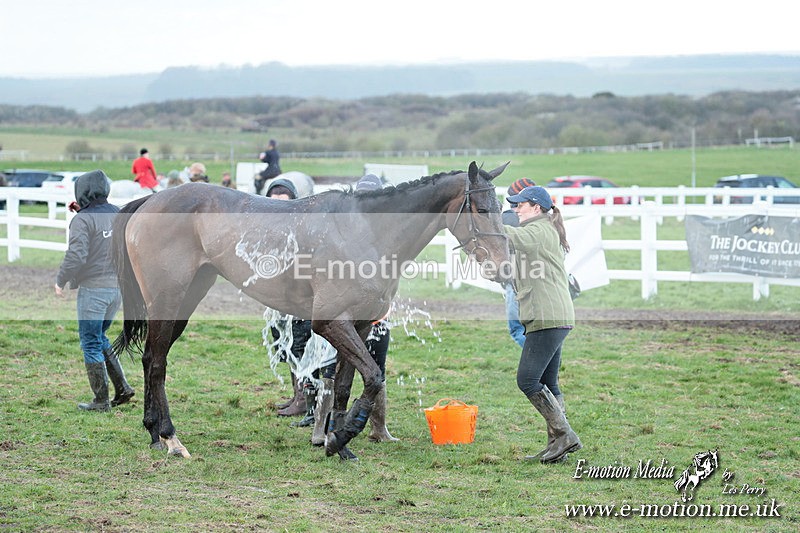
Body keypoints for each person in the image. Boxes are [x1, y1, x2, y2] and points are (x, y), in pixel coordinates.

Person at [504, 185, 581, 464]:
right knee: (549, 382)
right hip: (555, 317)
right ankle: (557, 445)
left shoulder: (537, 230)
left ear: (536, 208)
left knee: (527, 380)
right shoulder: (543, 229)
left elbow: (509, 235)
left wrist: (486, 222)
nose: (515, 209)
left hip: (547, 318)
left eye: (519, 205)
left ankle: (564, 435)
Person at [55, 170, 134, 412]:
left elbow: (77, 255)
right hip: (117, 289)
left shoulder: (82, 220)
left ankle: (100, 401)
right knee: (100, 336)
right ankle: (122, 388)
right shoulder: (119, 213)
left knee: (90, 341)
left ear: (82, 191)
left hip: (94, 290)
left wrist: (61, 279)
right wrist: (83, 211)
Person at [264, 177, 310, 417]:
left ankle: (304, 399)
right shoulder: (266, 229)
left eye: (284, 202)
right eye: (274, 203)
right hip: (280, 298)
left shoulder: (301, 226)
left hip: (301, 298)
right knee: (285, 345)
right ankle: (297, 395)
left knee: (300, 345)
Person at [501, 178, 537, 348]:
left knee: (518, 330)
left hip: (517, 281)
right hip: (541, 279)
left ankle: (539, 362)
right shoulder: (545, 219)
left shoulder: (508, 218)